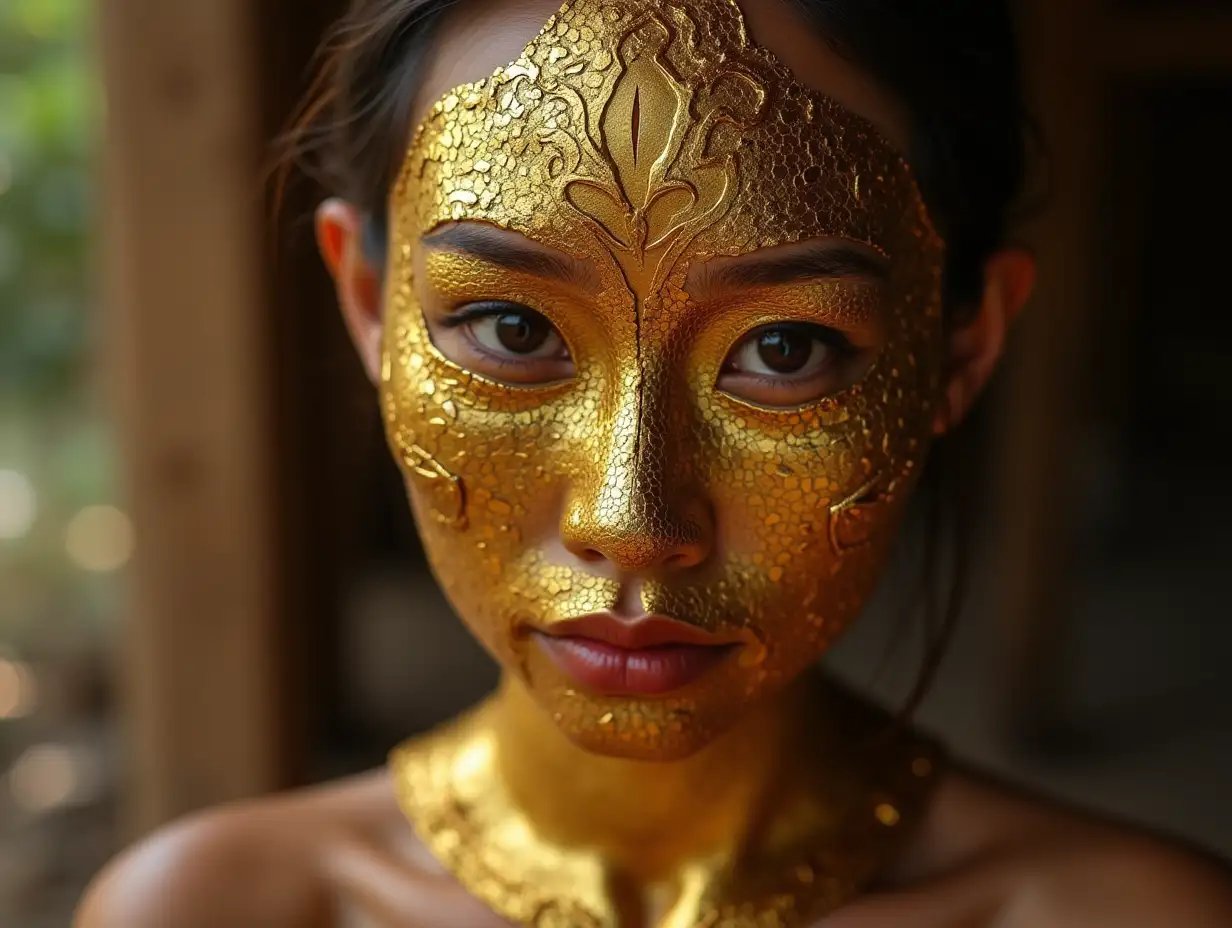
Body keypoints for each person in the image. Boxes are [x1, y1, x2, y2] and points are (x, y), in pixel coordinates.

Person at [77, 0, 1232, 925]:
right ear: (369, 304)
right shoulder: (208, 911)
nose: (630, 519)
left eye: (784, 350)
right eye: (512, 331)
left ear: (959, 348)